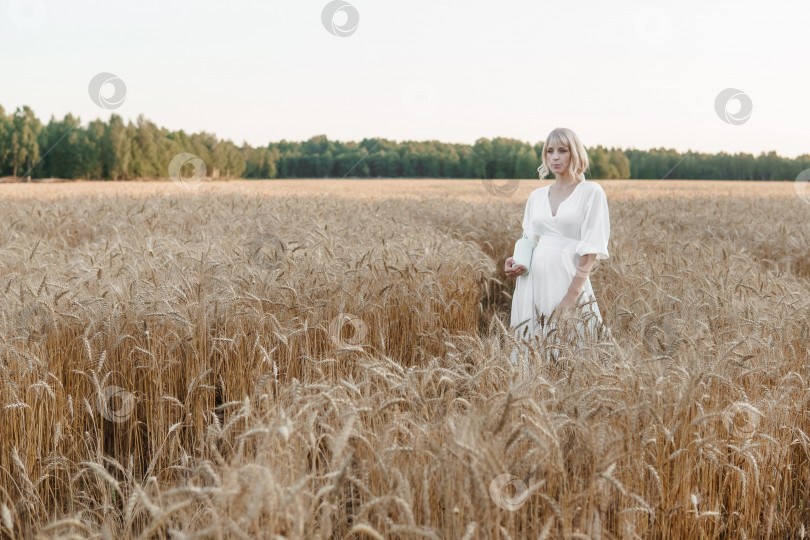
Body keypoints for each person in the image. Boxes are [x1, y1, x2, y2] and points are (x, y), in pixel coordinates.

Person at [504, 127, 611, 370]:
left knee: (574, 352)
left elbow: (591, 248)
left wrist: (571, 296)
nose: (555, 157)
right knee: (532, 352)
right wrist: (513, 262)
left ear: (575, 153)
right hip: (531, 282)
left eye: (562, 151)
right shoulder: (536, 196)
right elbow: (528, 239)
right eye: (549, 151)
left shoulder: (591, 192)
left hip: (568, 280)